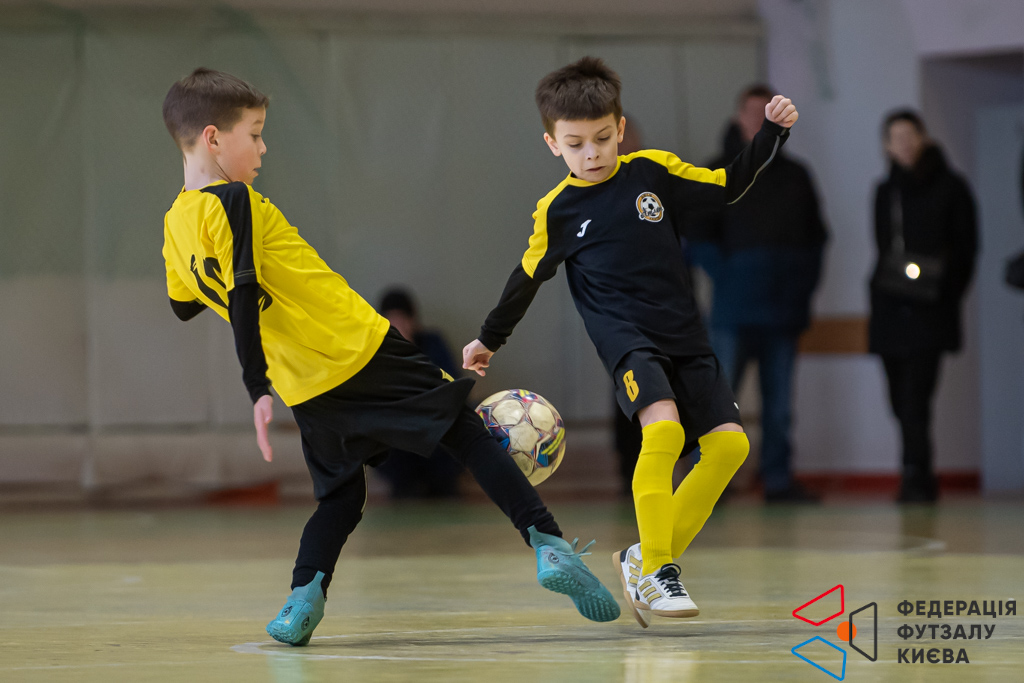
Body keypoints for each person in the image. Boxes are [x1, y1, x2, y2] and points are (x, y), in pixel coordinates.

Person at [160, 68, 620, 646]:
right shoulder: (234, 199)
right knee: (465, 432)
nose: (263, 147)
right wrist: (254, 384)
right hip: (358, 346)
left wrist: (262, 357)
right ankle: (548, 545)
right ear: (212, 138)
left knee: (340, 496)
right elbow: (245, 290)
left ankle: (303, 599)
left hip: (305, 385)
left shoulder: (174, 225)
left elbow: (184, 304)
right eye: (254, 133)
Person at [462, 57, 798, 627]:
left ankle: (644, 558)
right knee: (663, 430)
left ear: (619, 129)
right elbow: (527, 278)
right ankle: (661, 571)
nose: (591, 154)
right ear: (553, 145)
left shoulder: (653, 172)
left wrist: (771, 132)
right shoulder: (557, 210)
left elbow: (727, 186)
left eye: (601, 138)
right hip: (627, 340)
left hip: (685, 334)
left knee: (730, 447)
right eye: (575, 145)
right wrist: (489, 339)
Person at [689, 84, 827, 503]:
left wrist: (799, 288)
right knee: (719, 404)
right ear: (738, 118)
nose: (756, 119)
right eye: (750, 112)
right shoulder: (717, 171)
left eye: (764, 112)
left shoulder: (797, 176)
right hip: (732, 312)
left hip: (783, 312)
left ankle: (778, 480)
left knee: (780, 407)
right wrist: (731, 276)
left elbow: (816, 240)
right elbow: (697, 238)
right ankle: (709, 484)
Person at [869, 110, 977, 503]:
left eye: (910, 135)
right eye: (895, 138)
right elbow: (883, 249)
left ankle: (917, 473)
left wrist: (941, 289)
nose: (904, 144)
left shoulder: (951, 187)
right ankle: (916, 472)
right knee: (899, 399)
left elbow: (966, 249)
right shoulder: (886, 191)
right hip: (890, 308)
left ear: (923, 137)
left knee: (917, 396)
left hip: (930, 310)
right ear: (886, 146)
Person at [375, 287, 463, 498]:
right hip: (398, 434)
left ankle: (442, 486)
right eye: (391, 320)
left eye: (402, 319)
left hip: (434, 426)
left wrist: (409, 351)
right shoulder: (375, 349)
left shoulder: (433, 343)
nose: (398, 325)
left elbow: (452, 385)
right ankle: (406, 487)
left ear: (413, 320)